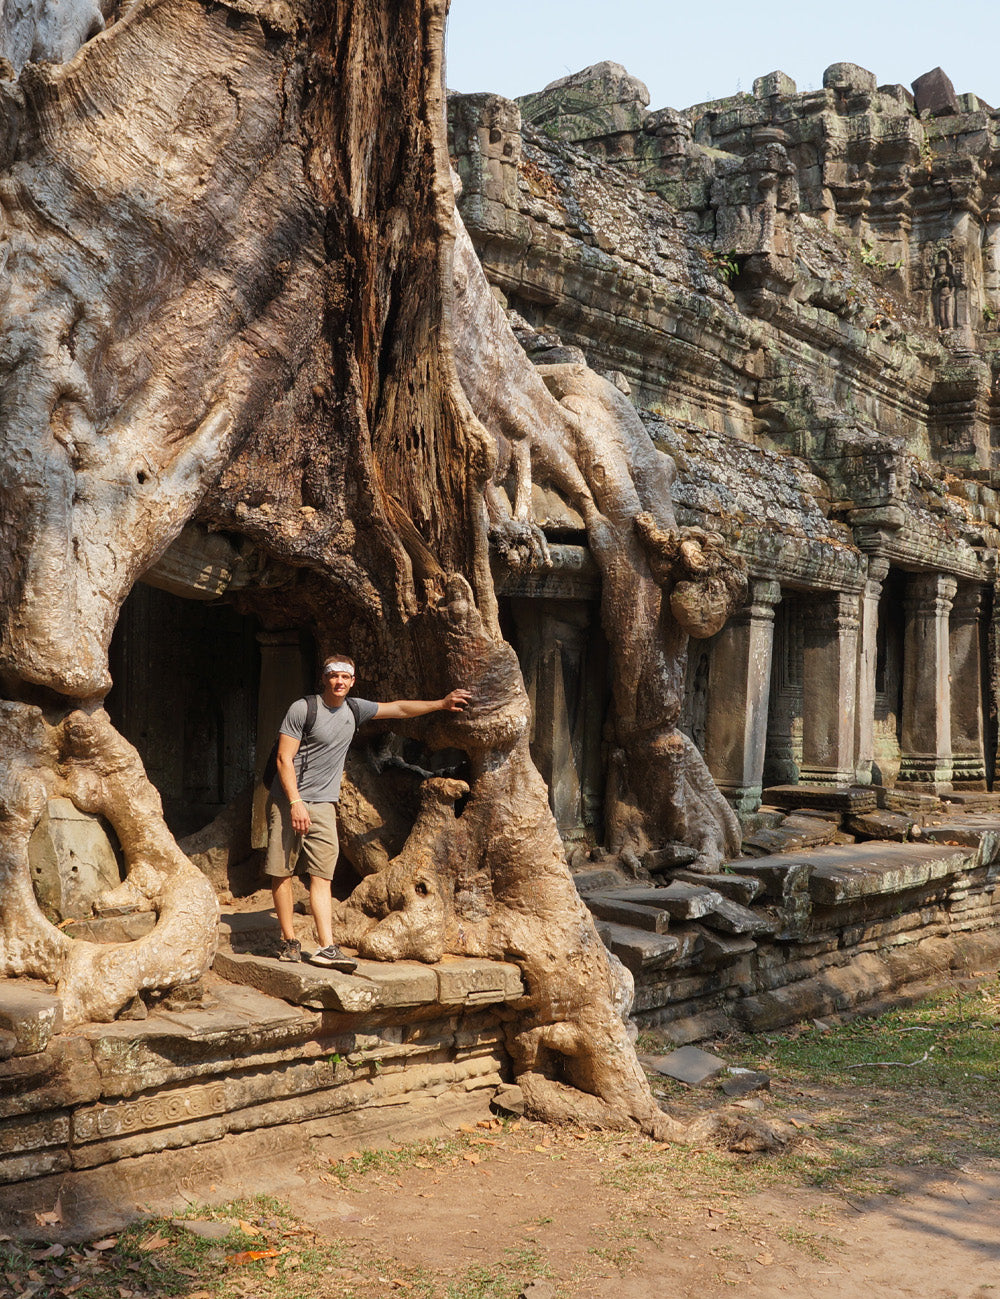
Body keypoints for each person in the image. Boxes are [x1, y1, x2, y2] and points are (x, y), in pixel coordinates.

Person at [266, 654, 471, 969]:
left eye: (345, 677)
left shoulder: (354, 709)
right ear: (324, 679)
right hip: (288, 800)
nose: (339, 682)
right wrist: (294, 803)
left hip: (323, 803)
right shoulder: (303, 709)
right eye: (334, 676)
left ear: (352, 681)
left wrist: (441, 704)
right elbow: (284, 758)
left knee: (322, 874)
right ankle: (289, 940)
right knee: (283, 870)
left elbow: (399, 708)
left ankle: (326, 946)